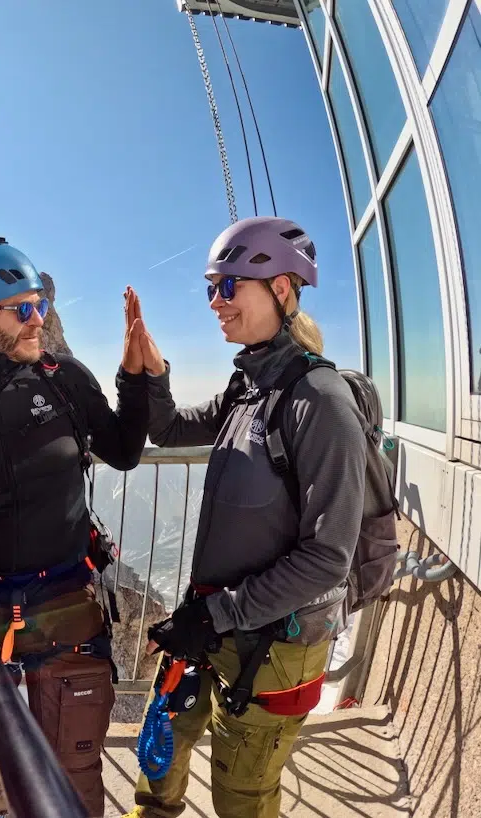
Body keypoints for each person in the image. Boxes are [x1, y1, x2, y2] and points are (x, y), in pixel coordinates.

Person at [124, 216, 368, 818]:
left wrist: (217, 614)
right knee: (164, 751)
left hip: (273, 644)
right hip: (217, 619)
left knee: (244, 794)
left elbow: (328, 556)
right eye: (212, 287)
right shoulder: (248, 386)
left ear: (281, 289)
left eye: (228, 286)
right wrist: (152, 369)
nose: (215, 302)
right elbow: (173, 430)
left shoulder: (321, 404)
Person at [0, 236, 152, 817]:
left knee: (73, 786)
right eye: (21, 309)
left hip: (66, 606)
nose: (37, 321)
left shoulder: (64, 378)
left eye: (40, 306)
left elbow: (125, 449)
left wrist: (134, 377)